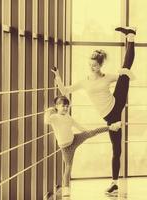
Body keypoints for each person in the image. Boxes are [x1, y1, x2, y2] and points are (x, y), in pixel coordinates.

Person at [51, 27, 136, 196]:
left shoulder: (108, 77)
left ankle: (131, 36)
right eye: (90, 64)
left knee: (125, 69)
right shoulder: (85, 81)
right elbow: (65, 90)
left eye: (95, 65)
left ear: (100, 65)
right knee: (116, 148)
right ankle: (115, 183)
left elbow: (125, 76)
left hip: (116, 104)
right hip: (110, 116)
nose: (92, 67)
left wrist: (125, 75)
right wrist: (58, 76)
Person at [44, 95, 122, 197]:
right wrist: (48, 111)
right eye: (63, 106)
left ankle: (112, 127)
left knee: (92, 132)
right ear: (57, 106)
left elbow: (79, 126)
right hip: (66, 147)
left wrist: (87, 132)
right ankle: (66, 189)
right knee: (68, 167)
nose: (66, 108)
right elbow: (46, 121)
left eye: (67, 106)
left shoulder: (68, 117)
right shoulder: (54, 117)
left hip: (75, 139)